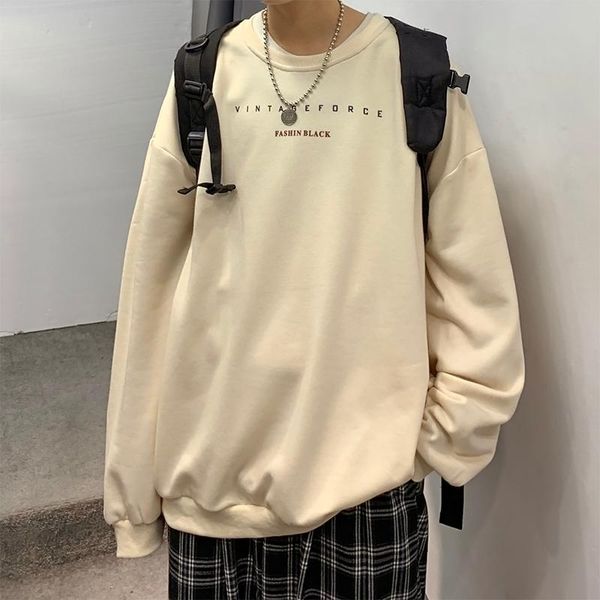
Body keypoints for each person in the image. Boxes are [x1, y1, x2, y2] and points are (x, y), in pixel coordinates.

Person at [103, 1, 526, 598]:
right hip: (214, 498)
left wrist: (448, 435)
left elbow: (475, 279)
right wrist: (132, 491)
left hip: (369, 497)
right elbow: (149, 291)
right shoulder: (203, 75)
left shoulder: (414, 71)